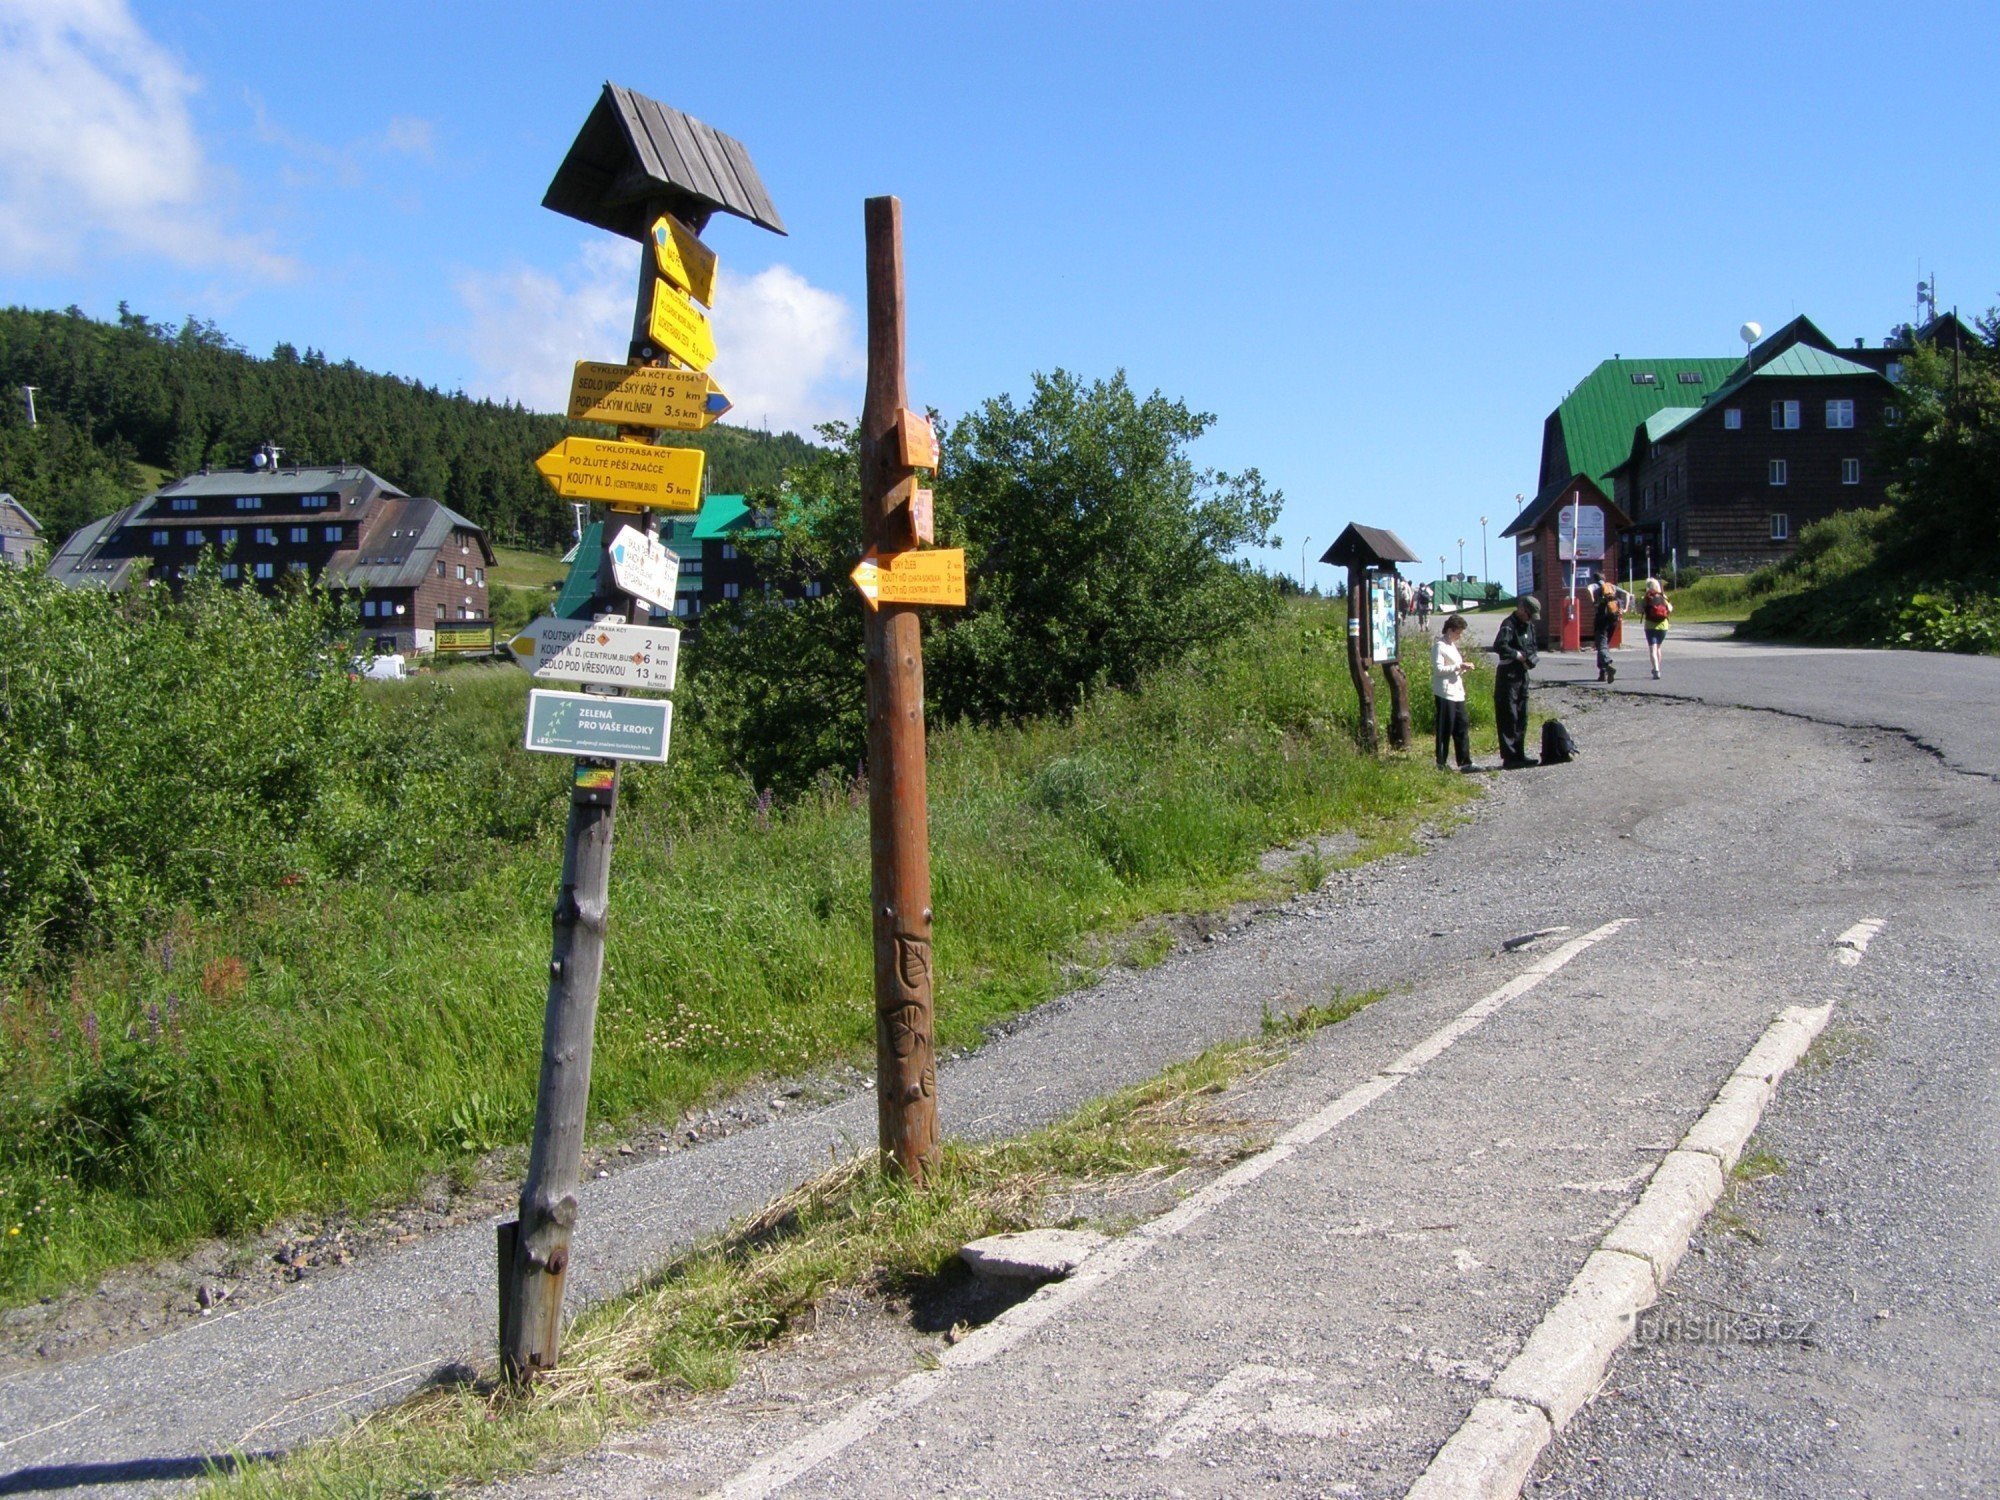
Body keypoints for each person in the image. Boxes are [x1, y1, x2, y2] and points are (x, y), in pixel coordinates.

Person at [1491, 594, 1540, 768]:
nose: (1529, 619)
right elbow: (1499, 646)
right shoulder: (1508, 624)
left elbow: (1534, 647)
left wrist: (1530, 660)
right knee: (1508, 715)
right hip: (1508, 675)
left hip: (1522, 674)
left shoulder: (1529, 626)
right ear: (1521, 610)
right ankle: (1509, 757)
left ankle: (1520, 754)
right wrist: (1516, 655)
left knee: (1521, 715)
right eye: (1528, 614)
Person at [1432, 612, 1476, 770]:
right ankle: (1441, 762)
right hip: (1445, 693)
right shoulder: (1439, 646)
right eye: (1458, 632)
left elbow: (1454, 668)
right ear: (1450, 630)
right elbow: (1438, 670)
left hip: (1457, 692)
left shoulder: (1452, 646)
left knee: (1461, 725)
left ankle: (1465, 762)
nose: (1459, 636)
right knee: (1445, 727)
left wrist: (1463, 667)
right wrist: (1458, 666)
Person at [1640, 578, 1673, 679]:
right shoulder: (1664, 597)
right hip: (1663, 626)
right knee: (1658, 647)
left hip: (1650, 626)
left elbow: (1639, 610)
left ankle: (1656, 669)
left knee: (1652, 648)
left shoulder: (1646, 597)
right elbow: (1670, 609)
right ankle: (1657, 667)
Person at [1591, 577, 1622, 683]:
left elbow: (1588, 590)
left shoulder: (1594, 586)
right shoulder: (1612, 587)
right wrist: (1624, 608)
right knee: (1604, 645)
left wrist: (1593, 602)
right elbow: (1627, 594)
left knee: (1601, 645)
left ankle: (1608, 664)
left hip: (1601, 620)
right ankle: (1602, 674)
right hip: (1613, 619)